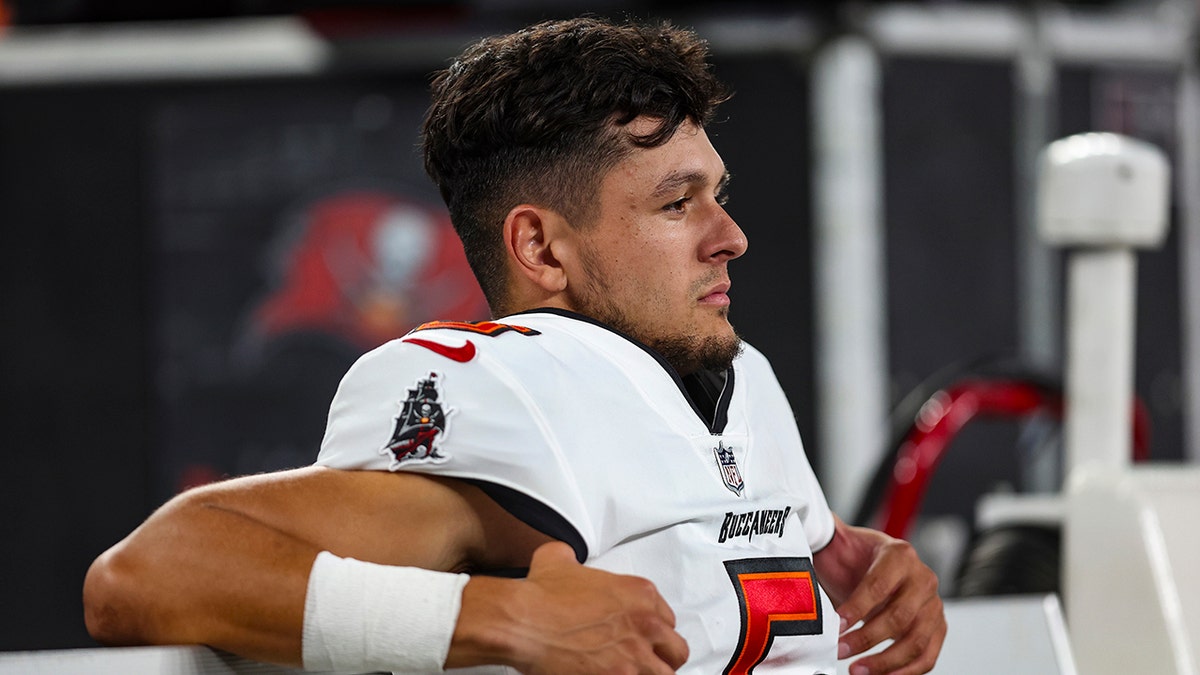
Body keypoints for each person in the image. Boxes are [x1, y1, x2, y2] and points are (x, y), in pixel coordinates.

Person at [83, 16, 945, 675]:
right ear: (540, 248)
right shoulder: (523, 387)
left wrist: (855, 560)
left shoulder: (732, 375)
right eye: (677, 204)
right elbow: (145, 575)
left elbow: (728, 523)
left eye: (717, 194)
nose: (731, 236)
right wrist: (502, 619)